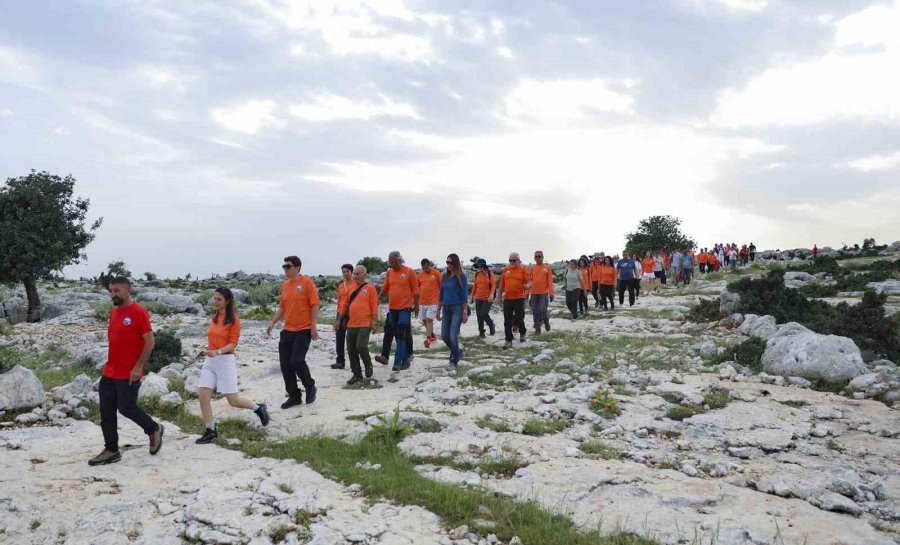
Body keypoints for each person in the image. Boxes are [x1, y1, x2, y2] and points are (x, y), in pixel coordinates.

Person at [89, 277, 164, 465]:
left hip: (129, 371)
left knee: (126, 408)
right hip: (110, 370)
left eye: (117, 291)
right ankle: (112, 450)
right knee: (106, 411)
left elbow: (150, 342)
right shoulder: (114, 312)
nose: (113, 294)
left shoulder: (139, 312)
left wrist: (138, 367)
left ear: (128, 290)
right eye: (111, 291)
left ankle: (153, 428)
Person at [196, 287, 270, 444]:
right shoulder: (215, 317)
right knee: (203, 398)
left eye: (219, 299)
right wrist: (210, 351)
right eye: (214, 298)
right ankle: (211, 430)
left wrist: (218, 352)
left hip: (225, 361)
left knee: (233, 401)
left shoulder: (234, 319)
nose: (215, 302)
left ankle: (258, 408)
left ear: (227, 301)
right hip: (210, 362)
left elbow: (233, 343)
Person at [267, 255, 319, 410]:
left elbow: (315, 305)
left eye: (288, 266)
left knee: (297, 360)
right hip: (287, 330)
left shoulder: (307, 283)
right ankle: (294, 396)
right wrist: (272, 322)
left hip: (303, 329)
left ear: (297, 267)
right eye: (284, 266)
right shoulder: (285, 285)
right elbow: (282, 307)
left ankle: (310, 386)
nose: (285, 269)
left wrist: (313, 326)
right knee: (285, 364)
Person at [374, 251, 419, 371]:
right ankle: (385, 356)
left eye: (394, 262)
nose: (392, 264)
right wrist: (377, 299)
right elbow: (385, 288)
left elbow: (415, 290)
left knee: (401, 332)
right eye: (390, 262)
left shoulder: (409, 272)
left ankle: (398, 362)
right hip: (392, 308)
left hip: (405, 308)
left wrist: (417, 306)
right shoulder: (389, 273)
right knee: (388, 331)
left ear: (400, 260)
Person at [345, 265, 379, 384]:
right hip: (351, 324)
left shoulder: (370, 288)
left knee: (361, 346)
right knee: (351, 350)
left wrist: (374, 322)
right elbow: (346, 305)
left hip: (365, 323)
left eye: (357, 274)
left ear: (364, 275)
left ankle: (368, 364)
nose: (355, 276)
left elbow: (374, 306)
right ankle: (357, 374)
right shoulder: (350, 288)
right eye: (354, 273)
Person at [437, 253, 469, 366]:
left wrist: (465, 312)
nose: (449, 264)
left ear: (456, 263)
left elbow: (464, 295)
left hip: (457, 308)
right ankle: (458, 351)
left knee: (452, 335)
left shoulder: (462, 275)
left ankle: (454, 360)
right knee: (444, 336)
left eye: (451, 262)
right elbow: (441, 293)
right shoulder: (444, 275)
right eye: (447, 262)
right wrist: (438, 309)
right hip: (446, 308)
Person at [497, 252, 530, 349]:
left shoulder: (523, 270)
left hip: (519, 298)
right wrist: (499, 296)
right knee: (507, 320)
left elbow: (529, 281)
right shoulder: (506, 270)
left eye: (514, 260)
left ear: (519, 260)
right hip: (507, 298)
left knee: (519, 318)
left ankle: (522, 332)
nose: (511, 262)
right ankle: (508, 340)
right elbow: (502, 284)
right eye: (510, 260)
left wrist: (527, 286)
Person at [331, 264, 355, 370]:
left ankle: (355, 362)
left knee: (352, 338)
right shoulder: (341, 285)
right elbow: (340, 301)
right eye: (343, 272)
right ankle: (340, 361)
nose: (345, 274)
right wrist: (337, 317)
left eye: (347, 271)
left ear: (352, 272)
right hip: (340, 313)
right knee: (339, 337)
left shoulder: (356, 284)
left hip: (352, 313)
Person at [417, 259, 441, 348]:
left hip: (433, 301)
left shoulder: (436, 273)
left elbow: (442, 286)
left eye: (426, 267)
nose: (425, 269)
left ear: (429, 265)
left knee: (429, 320)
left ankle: (428, 339)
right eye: (423, 268)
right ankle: (432, 335)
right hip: (422, 302)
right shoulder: (420, 275)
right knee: (424, 320)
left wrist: (440, 302)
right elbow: (416, 287)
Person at [528, 250, 554, 335]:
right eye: (536, 256)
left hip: (544, 293)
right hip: (534, 293)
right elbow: (529, 281)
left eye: (539, 256)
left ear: (543, 257)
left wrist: (551, 293)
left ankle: (546, 322)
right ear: (534, 258)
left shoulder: (547, 268)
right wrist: (526, 293)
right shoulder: (532, 268)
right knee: (535, 311)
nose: (538, 258)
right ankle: (537, 328)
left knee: (543, 309)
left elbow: (550, 281)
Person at [470, 258, 496, 338]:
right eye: (478, 266)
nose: (479, 267)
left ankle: (491, 325)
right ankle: (481, 333)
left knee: (484, 314)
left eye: (481, 266)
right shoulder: (477, 274)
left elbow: (493, 285)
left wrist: (491, 295)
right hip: (478, 297)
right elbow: (475, 286)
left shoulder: (489, 273)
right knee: (479, 315)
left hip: (487, 298)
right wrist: (471, 297)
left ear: (484, 266)